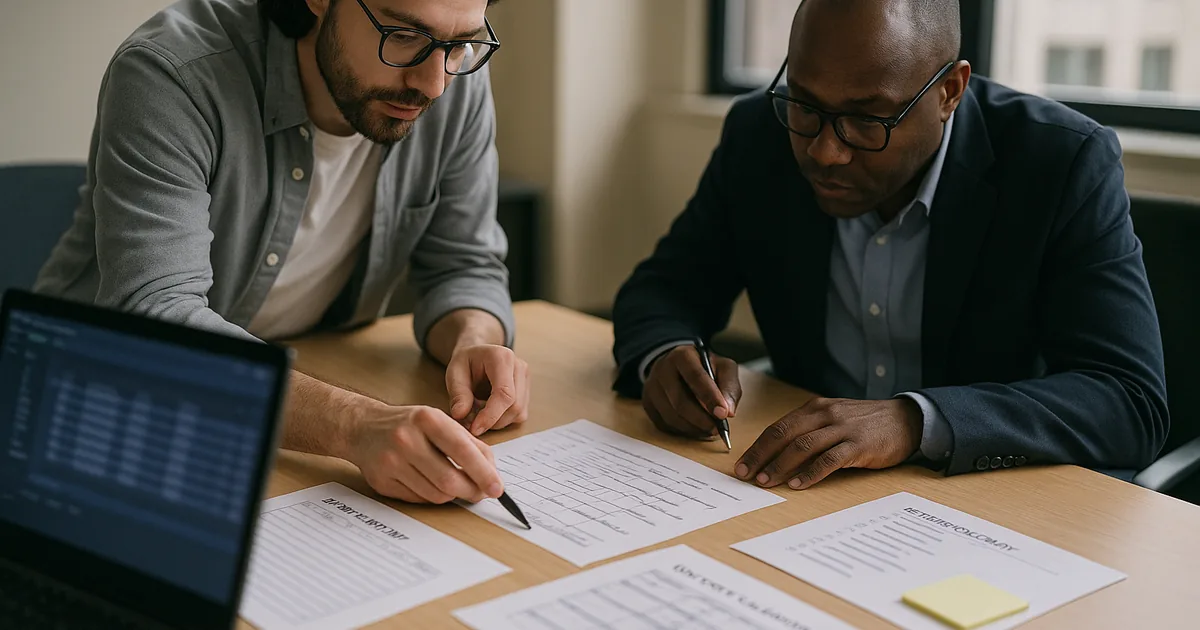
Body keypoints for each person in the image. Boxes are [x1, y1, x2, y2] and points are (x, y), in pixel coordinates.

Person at [611, 0, 1169, 491]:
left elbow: (1127, 401)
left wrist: (914, 421)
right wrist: (667, 358)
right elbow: (665, 288)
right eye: (805, 105)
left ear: (949, 91)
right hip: (804, 495)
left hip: (990, 506)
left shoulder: (1059, 163)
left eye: (866, 119)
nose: (826, 152)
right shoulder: (759, 134)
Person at [34, 0, 530, 505]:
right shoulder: (173, 73)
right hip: (95, 406)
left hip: (292, 399)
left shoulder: (451, 76)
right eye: (403, 36)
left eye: (461, 43)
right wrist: (354, 424)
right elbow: (155, 319)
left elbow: (464, 263)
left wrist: (472, 337)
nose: (434, 84)